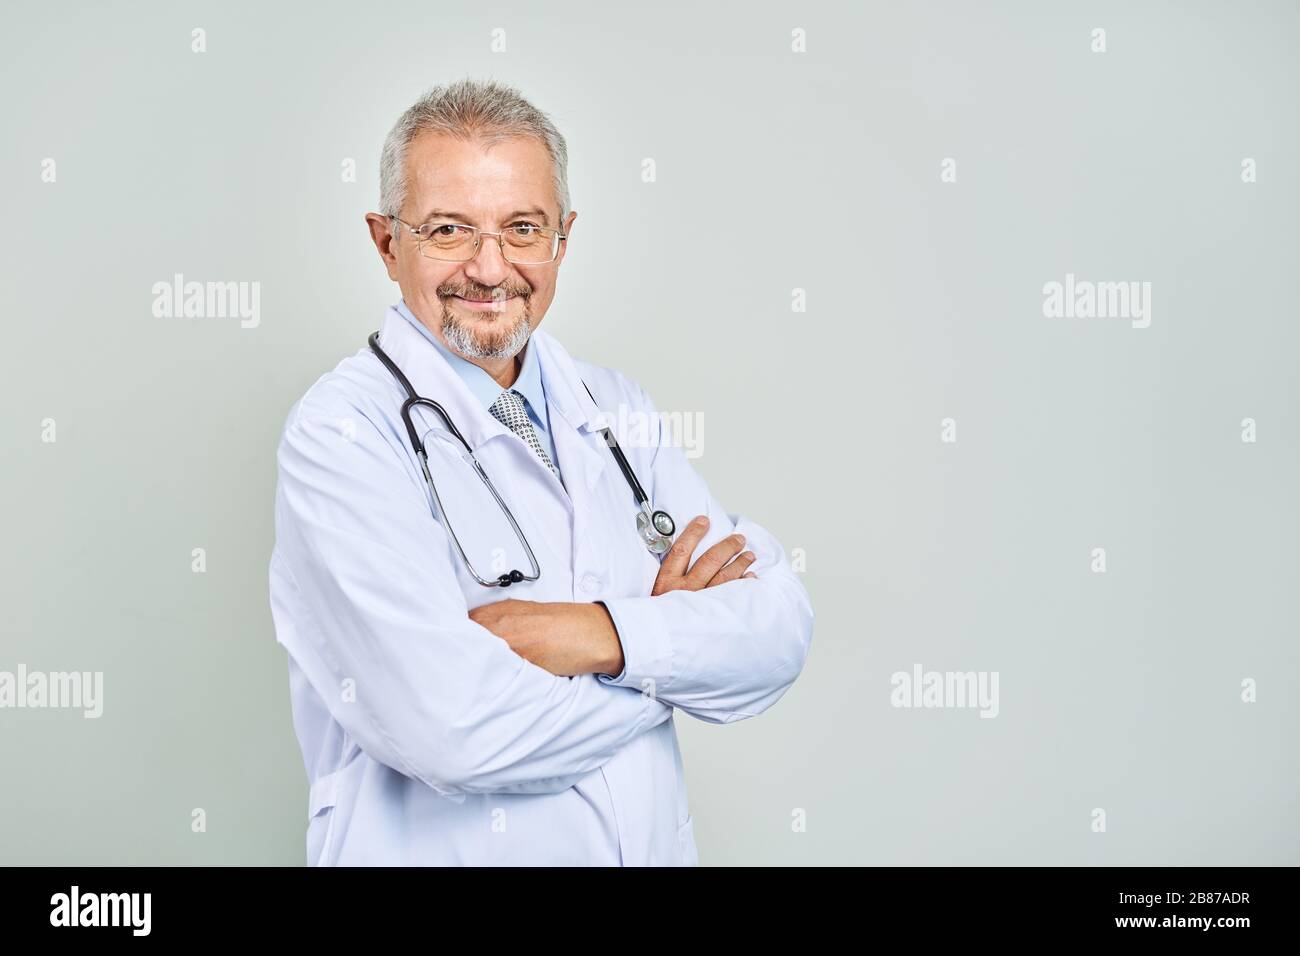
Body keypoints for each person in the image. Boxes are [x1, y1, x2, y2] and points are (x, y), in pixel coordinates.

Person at [268, 77, 814, 865]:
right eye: (449, 229)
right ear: (388, 243)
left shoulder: (613, 407)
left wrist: (592, 635)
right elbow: (454, 728)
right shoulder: (342, 434)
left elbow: (775, 634)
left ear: (564, 237)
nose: (491, 270)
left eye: (522, 229)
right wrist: (665, 664)